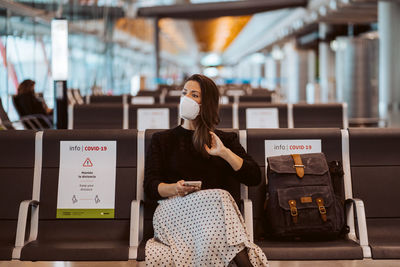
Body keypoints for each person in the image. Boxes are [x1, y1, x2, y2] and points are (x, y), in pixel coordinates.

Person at [144, 74, 269, 266]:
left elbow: (254, 176)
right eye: (184, 93)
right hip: (175, 216)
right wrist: (175, 188)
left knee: (218, 201)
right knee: (219, 196)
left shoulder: (224, 141)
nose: (186, 98)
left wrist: (224, 153)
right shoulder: (162, 140)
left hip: (214, 226)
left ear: (206, 104)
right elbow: (151, 187)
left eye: (194, 95)